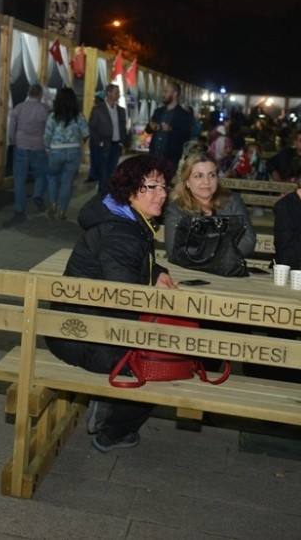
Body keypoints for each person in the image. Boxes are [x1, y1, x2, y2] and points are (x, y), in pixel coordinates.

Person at [47, 154, 177, 454]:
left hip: (75, 326)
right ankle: (115, 429)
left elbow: (121, 265)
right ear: (131, 191)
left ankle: (110, 402)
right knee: (162, 364)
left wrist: (154, 272)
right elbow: (125, 301)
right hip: (84, 337)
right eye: (152, 186)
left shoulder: (122, 219)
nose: (162, 193)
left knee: (167, 345)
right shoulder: (122, 232)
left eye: (164, 186)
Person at [164, 151, 256, 260]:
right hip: (187, 268)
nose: (207, 182)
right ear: (187, 182)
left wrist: (219, 258)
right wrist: (214, 257)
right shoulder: (176, 209)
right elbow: (174, 248)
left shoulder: (233, 201)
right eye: (199, 176)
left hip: (226, 265)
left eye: (211, 175)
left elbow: (249, 239)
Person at [5, 83, 50, 226]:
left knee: (19, 179)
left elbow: (12, 128)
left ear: (28, 93)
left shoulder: (19, 108)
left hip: (21, 146)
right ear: (40, 94)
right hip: (38, 147)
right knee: (42, 175)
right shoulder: (45, 109)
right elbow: (48, 130)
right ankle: (37, 194)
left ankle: (19, 208)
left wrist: (13, 141)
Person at [43, 87, 89, 220]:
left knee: (52, 178)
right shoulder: (78, 116)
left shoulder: (53, 116)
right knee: (67, 181)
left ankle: (53, 204)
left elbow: (47, 135)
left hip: (55, 151)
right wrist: (79, 143)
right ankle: (62, 211)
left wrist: (47, 148)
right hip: (73, 151)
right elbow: (86, 133)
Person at [88, 84, 129, 196]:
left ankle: (107, 196)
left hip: (116, 146)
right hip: (104, 146)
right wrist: (100, 142)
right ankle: (101, 197)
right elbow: (91, 128)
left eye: (118, 92)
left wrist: (122, 142)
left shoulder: (121, 110)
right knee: (103, 174)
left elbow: (123, 127)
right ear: (109, 93)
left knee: (111, 174)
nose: (118, 95)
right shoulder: (98, 110)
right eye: (116, 92)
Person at [147, 82, 193, 166]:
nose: (163, 94)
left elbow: (186, 136)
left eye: (166, 91)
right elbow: (148, 130)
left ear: (175, 94)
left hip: (170, 157)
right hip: (154, 154)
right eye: (163, 91)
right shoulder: (158, 111)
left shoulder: (183, 114)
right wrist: (151, 127)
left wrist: (170, 129)